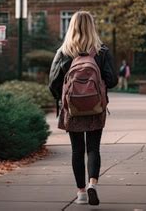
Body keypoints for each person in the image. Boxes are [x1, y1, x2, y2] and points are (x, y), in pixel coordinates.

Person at [49, 11, 118, 206]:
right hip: (96, 108)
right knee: (93, 148)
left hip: (72, 110)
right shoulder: (101, 51)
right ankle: (92, 184)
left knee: (77, 150)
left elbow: (52, 84)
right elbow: (112, 80)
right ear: (92, 26)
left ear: (72, 26)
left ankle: (80, 193)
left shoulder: (63, 52)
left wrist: (63, 99)